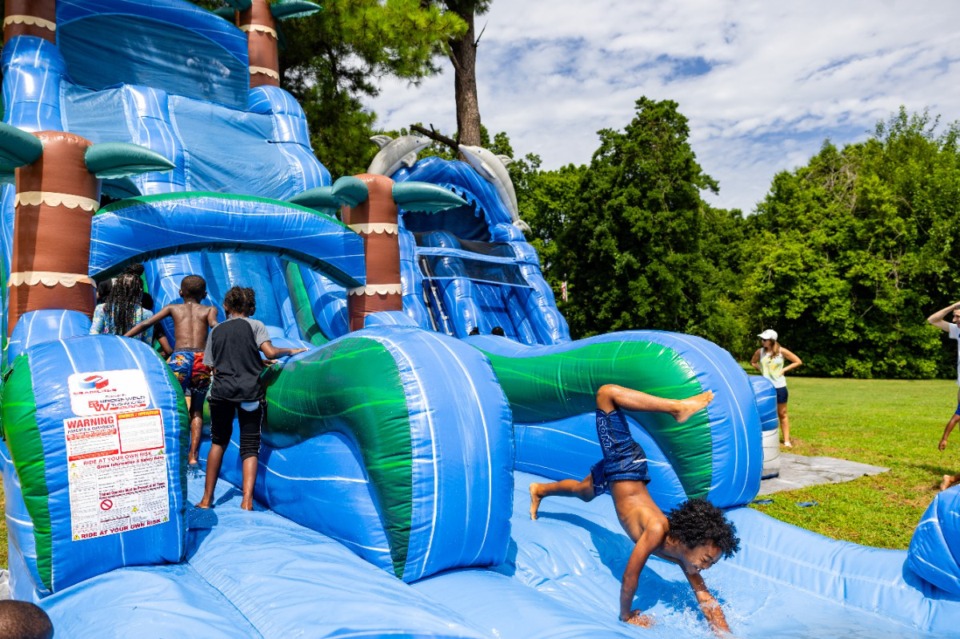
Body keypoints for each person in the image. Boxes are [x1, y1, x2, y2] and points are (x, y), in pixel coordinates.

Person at [529, 384, 739, 634]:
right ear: (691, 541)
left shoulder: (684, 557)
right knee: (606, 394)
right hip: (624, 462)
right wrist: (626, 615)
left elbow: (704, 596)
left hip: (619, 472)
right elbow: (630, 576)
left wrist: (724, 632)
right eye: (706, 560)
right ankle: (676, 408)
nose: (705, 567)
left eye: (711, 564)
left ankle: (539, 490)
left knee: (584, 493)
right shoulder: (657, 529)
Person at [196, 286, 306, 511]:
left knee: (218, 442)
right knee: (249, 446)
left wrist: (251, 362)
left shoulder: (216, 331)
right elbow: (270, 352)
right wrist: (291, 351)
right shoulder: (255, 325)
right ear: (251, 308)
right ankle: (247, 501)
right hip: (249, 393)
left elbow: (212, 365)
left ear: (226, 306)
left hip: (222, 393)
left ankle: (207, 499)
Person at [125, 275, 218, 465]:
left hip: (180, 358)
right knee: (197, 410)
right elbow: (215, 327)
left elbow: (146, 324)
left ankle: (170, 450)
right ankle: (193, 456)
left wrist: (122, 337)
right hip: (202, 360)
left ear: (180, 292)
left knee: (170, 405)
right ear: (205, 294)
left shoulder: (173, 308)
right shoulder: (209, 309)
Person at [926, 301, 960, 490]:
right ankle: (952, 479)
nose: (954, 320)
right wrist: (954, 305)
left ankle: (952, 479)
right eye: (954, 317)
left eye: (958, 317)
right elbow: (933, 320)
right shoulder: (957, 330)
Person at [750, 329, 802, 447]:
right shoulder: (759, 352)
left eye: (765, 339)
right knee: (761, 413)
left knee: (782, 413)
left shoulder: (781, 351)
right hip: (764, 388)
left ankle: (787, 440)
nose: (762, 341)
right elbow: (753, 362)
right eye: (762, 339)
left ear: (772, 341)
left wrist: (784, 370)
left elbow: (797, 361)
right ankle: (761, 439)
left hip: (779, 387)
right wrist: (761, 370)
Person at [89, 272, 154, 344]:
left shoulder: (102, 308)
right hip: (132, 353)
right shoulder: (147, 314)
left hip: (107, 350)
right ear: (139, 292)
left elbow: (94, 335)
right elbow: (147, 344)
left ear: (115, 289)